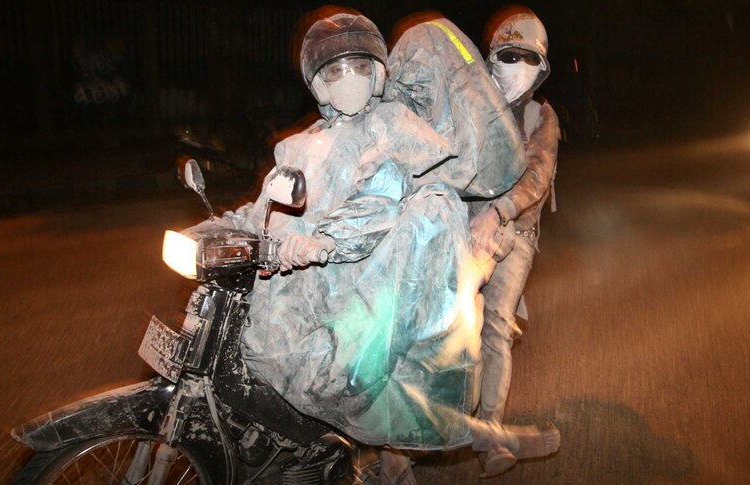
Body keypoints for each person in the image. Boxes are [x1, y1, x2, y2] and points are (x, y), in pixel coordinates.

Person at [224, 8, 548, 484]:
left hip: (366, 279)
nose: (347, 79)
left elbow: (380, 199)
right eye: (334, 71)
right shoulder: (311, 140)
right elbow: (272, 197)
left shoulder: (395, 128)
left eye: (358, 67)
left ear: (378, 75)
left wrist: (321, 242)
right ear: (317, 83)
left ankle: (483, 432)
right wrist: (224, 226)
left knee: (470, 335)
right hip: (314, 280)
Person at [468, 6, 562, 478]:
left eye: (528, 58)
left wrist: (498, 211)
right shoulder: (472, 102)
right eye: (509, 55)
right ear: (492, 58)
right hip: (462, 222)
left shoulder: (541, 117)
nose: (517, 66)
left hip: (516, 228)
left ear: (540, 68)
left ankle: (489, 434)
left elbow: (538, 177)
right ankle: (398, 443)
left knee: (496, 323)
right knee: (427, 319)